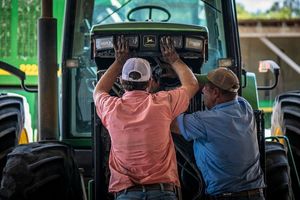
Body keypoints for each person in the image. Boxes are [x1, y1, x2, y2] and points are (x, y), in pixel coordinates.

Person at [93, 35, 199, 200]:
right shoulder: (163, 103)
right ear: (150, 82)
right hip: (163, 192)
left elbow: (98, 91)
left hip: (126, 194)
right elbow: (192, 84)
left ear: (121, 81)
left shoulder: (110, 108)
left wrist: (119, 62)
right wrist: (174, 59)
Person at [171, 67, 266, 200]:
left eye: (206, 88)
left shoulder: (207, 121)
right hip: (256, 194)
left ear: (216, 93)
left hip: (227, 197)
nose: (202, 90)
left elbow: (169, 123)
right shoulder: (245, 107)